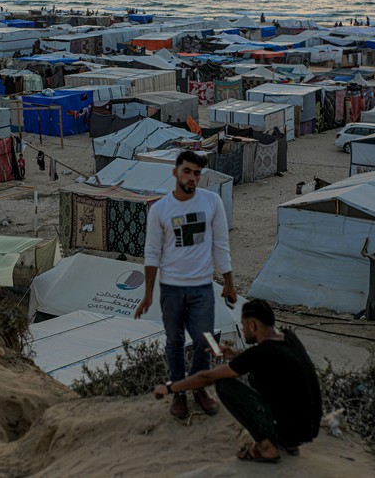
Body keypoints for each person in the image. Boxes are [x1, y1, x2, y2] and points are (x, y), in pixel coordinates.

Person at [153, 299, 322, 463]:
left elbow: (208, 377)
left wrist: (170, 388)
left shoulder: (260, 354)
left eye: (243, 324)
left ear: (252, 325)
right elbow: (265, 361)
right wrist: (236, 355)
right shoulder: (288, 337)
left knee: (225, 385)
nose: (242, 329)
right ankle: (289, 443)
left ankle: (266, 447)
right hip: (309, 428)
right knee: (256, 376)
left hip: (291, 430)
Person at [135, 150, 235, 420]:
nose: (192, 178)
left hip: (203, 287)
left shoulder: (212, 202)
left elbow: (220, 244)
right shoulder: (160, 210)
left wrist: (228, 281)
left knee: (206, 339)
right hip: (172, 289)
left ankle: (200, 389)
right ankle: (178, 393)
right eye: (188, 171)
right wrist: (147, 294)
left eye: (197, 173)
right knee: (175, 341)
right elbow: (152, 253)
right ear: (175, 172)